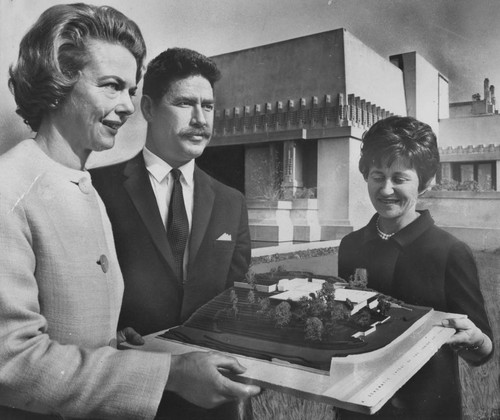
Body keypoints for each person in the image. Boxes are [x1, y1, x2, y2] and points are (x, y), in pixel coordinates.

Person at [0, 4, 259, 419]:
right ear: (58, 80)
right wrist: (167, 373)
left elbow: (83, 333)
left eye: (130, 91)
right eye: (110, 86)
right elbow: (10, 364)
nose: (126, 107)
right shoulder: (9, 189)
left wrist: (118, 340)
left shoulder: (84, 189)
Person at [91, 47, 252, 419]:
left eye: (208, 107)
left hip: (213, 402)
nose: (200, 119)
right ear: (148, 108)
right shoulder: (98, 188)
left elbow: (235, 300)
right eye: (185, 103)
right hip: (132, 396)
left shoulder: (232, 202)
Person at [338, 116, 493, 420]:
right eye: (376, 176)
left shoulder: (450, 252)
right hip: (357, 407)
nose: (385, 189)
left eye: (399, 178)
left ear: (425, 181)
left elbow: (483, 351)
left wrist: (475, 340)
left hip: (427, 409)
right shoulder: (351, 246)